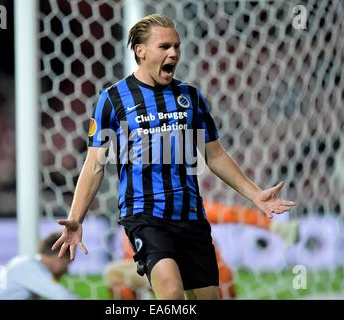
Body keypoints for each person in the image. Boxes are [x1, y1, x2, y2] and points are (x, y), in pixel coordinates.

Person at [52, 14, 295, 300]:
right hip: (144, 216)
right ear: (140, 51)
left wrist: (254, 194)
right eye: (164, 46)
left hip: (191, 215)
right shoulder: (113, 99)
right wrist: (76, 218)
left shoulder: (190, 97)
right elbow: (94, 165)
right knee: (171, 294)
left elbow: (214, 154)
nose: (174, 53)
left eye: (177, 46)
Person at [103, 200, 298, 300]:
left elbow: (230, 214)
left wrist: (273, 226)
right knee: (115, 275)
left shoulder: (184, 205)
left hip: (212, 280)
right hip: (167, 281)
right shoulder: (131, 230)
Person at [0, 232, 78, 300]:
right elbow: (62, 296)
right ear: (60, 257)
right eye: (67, 263)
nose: (66, 270)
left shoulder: (26, 264)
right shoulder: (29, 267)